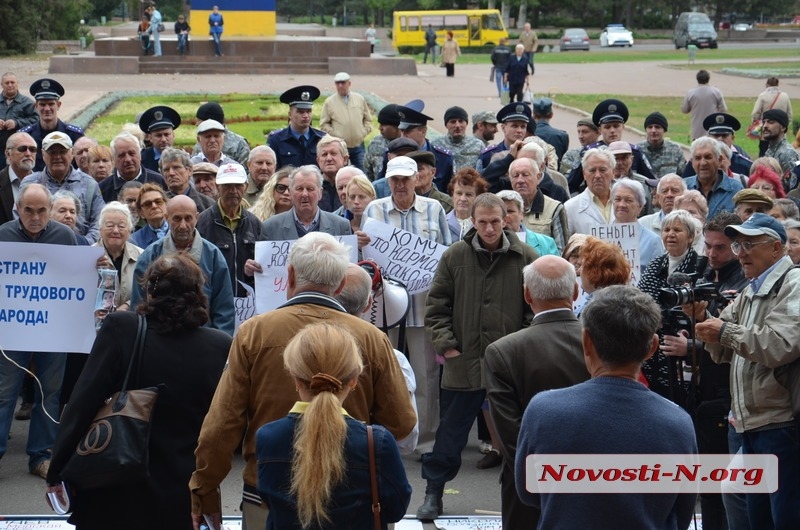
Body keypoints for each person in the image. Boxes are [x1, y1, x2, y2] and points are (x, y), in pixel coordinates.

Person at [190, 233, 416, 530]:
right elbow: (400, 423)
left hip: (268, 494)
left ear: (291, 275)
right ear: (340, 284)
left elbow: (222, 425)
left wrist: (204, 491)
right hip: (353, 492)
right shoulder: (372, 339)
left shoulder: (253, 333)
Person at [46, 254, 232, 530]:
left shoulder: (122, 328)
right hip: (180, 490)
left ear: (150, 291)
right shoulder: (219, 344)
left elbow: (82, 402)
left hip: (115, 483)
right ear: (198, 293)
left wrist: (56, 470)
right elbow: (222, 427)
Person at [515, 285, 697, 529]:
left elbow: (528, 492)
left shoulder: (544, 410)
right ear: (652, 347)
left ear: (586, 341)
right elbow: (683, 510)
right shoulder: (678, 422)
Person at [417, 193, 538, 521]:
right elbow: (436, 305)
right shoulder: (455, 255)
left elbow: (534, 309)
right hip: (463, 362)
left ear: (506, 220)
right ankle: (433, 492)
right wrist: (447, 345)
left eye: (495, 221)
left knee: (520, 435)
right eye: (482, 222)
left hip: (508, 365)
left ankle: (532, 498)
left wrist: (519, 348)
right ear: (471, 221)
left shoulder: (525, 256)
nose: (488, 228)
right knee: (450, 434)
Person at [694, 213, 800, 529]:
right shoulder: (752, 289)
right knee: (759, 519)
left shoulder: (793, 283)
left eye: (749, 244)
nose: (740, 252)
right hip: (753, 424)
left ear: (776, 248)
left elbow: (780, 345)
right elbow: (723, 350)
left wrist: (723, 331)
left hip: (781, 424)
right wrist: (703, 318)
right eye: (738, 243)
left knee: (785, 518)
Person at [256, 323, 412, 530]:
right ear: (354, 380)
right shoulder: (376, 442)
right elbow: (396, 509)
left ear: (295, 380)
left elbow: (269, 501)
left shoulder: (268, 437)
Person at [484, 255, 589, 530]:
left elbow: (511, 435)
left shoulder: (503, 351)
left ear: (527, 294)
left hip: (528, 486)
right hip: (594, 480)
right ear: (576, 292)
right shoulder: (600, 342)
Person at [364, 156, 451, 455]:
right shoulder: (374, 209)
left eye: (405, 179)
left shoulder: (434, 209)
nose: (400, 185)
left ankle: (426, 442)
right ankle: (387, 437)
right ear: (387, 181)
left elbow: (448, 255)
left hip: (424, 309)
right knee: (383, 374)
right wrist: (360, 241)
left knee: (426, 376)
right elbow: (366, 261)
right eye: (394, 180)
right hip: (384, 310)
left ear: (418, 179)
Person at [0, 184, 76, 480]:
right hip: (12, 328)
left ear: (50, 210)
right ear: (17, 208)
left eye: (42, 210)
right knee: (4, 393)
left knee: (50, 392)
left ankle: (41, 456)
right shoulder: (3, 235)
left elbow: (77, 277)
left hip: (53, 329)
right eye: (28, 210)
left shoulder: (65, 236)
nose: (35, 217)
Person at [131, 195, 235, 336]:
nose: (183, 225)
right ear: (167, 218)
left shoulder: (213, 256)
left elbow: (224, 310)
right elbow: (138, 307)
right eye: (177, 219)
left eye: (188, 218)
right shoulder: (150, 256)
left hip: (203, 340)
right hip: (159, 339)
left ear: (196, 218)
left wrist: (218, 346)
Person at [638, 209, 702, 401]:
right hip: (652, 349)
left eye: (677, 230)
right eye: (666, 230)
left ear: (690, 237)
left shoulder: (698, 266)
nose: (670, 234)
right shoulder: (656, 263)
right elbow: (642, 299)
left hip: (681, 351)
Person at [21, 131, 104, 243]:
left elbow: (99, 221)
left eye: (62, 151)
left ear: (72, 153)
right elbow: (20, 219)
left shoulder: (89, 184)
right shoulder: (30, 184)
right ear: (43, 154)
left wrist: (83, 245)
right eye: (52, 152)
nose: (57, 156)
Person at [197, 162, 263, 297]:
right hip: (213, 300)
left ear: (246, 187)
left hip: (246, 302)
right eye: (227, 186)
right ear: (217, 187)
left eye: (238, 185)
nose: (233, 191)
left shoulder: (255, 224)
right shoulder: (202, 223)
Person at [567, 99, 655, 193]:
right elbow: (571, 185)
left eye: (616, 126)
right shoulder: (589, 153)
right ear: (600, 130)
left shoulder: (634, 152)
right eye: (607, 127)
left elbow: (650, 182)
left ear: (623, 127)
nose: (612, 130)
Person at [260, 165, 351, 240]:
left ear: (320, 193)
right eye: (299, 189)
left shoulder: (341, 226)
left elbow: (350, 260)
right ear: (291, 192)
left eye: (310, 189)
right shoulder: (270, 227)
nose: (304, 194)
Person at [20, 78, 84, 171]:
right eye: (42, 104)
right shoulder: (26, 136)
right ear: (36, 106)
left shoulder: (74, 135)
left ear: (58, 105)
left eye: (51, 104)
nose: (46, 108)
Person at [319, 72, 372, 171]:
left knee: (362, 174)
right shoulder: (329, 102)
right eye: (337, 83)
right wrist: (336, 136)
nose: (340, 85)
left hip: (358, 145)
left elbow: (368, 119)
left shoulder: (359, 99)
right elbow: (324, 124)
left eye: (343, 82)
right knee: (341, 174)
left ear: (349, 83)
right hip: (340, 147)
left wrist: (363, 132)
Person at [267, 85, 326, 170]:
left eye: (308, 111)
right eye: (300, 112)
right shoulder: (276, 140)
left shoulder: (322, 139)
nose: (306, 116)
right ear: (290, 114)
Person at [611, 179, 664, 271]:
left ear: (640, 206)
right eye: (617, 199)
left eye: (628, 200)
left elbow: (658, 278)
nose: (622, 204)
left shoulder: (652, 241)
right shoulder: (599, 238)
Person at [684, 137, 743, 219]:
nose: (703, 163)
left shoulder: (736, 190)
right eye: (698, 158)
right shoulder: (684, 187)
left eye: (708, 157)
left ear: (719, 160)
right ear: (692, 162)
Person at [100, 130, 166, 203]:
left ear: (140, 155)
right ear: (114, 159)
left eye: (131, 153)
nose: (128, 159)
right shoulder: (103, 189)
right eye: (122, 155)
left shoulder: (159, 182)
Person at [565, 148, 615, 235]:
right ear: (584, 174)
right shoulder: (570, 208)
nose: (597, 175)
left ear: (613, 173)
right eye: (592, 170)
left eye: (603, 170)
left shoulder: (625, 204)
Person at [497, 189, 558, 256]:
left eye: (510, 211)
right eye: (502, 212)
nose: (506, 216)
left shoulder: (547, 243)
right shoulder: (486, 243)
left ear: (521, 214)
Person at [192, 102, 251, 166]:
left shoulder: (239, 144)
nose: (196, 124)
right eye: (208, 136)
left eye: (199, 120)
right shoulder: (200, 142)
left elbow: (245, 172)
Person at [0, 73, 38, 169]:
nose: (10, 85)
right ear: (2, 85)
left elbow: (36, 120)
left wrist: (17, 123)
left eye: (12, 82)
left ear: (17, 84)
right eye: (7, 83)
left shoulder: (27, 102)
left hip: (19, 150)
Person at [431, 106, 485, 172]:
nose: (457, 125)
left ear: (466, 123)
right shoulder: (435, 145)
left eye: (461, 121)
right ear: (446, 125)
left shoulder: (478, 145)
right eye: (453, 122)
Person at [159, 147, 214, 212]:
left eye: (176, 167)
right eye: (166, 170)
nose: (171, 173)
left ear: (189, 171)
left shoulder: (208, 204)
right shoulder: (158, 204)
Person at [1, 132, 37, 225]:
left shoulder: (43, 182)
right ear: (8, 154)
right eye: (22, 149)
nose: (28, 154)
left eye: (32, 149)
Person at [637, 112, 687, 178]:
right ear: (645, 130)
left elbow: (684, 175)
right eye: (650, 127)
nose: (653, 130)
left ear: (664, 130)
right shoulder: (638, 150)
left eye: (657, 127)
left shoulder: (675, 151)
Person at [682, 69, 727, 141]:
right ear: (708, 79)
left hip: (696, 130)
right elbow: (723, 109)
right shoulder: (716, 92)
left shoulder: (691, 93)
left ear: (697, 79)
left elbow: (684, 109)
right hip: (712, 130)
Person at [446, 168, 489, 242]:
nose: (463, 199)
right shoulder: (441, 222)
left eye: (468, 195)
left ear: (478, 197)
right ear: (452, 195)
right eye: (459, 193)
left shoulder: (485, 224)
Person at [139, 105, 181, 174]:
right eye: (158, 136)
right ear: (150, 138)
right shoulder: (142, 159)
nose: (163, 139)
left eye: (166, 134)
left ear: (173, 135)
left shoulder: (182, 157)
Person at [364, 104, 401, 181]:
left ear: (397, 126)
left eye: (384, 124)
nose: (380, 128)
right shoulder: (375, 143)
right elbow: (367, 172)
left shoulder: (409, 145)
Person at [760, 109, 799, 178]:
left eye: (770, 122)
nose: (765, 126)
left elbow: (791, 185)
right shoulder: (771, 149)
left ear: (783, 127)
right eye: (764, 122)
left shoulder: (787, 153)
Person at [315, 135, 349, 212]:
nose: (329, 159)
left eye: (333, 153)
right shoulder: (312, 187)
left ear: (345, 159)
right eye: (324, 154)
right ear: (318, 161)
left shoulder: (355, 185)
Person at [129, 183, 168, 249]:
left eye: (158, 201)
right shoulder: (134, 240)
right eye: (147, 204)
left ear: (166, 205)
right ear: (141, 213)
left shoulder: (179, 230)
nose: (154, 206)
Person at [532, 98, 568, 164]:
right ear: (551, 115)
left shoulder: (527, 134)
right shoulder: (562, 136)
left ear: (533, 115)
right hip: (555, 173)